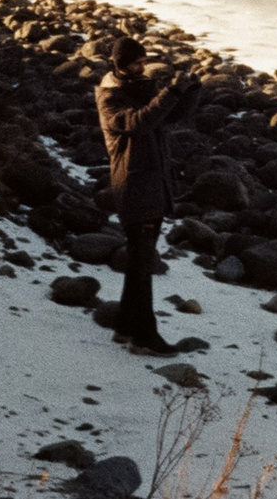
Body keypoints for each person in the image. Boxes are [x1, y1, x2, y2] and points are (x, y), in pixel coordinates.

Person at [93, 35, 199, 356]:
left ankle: (126, 327)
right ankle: (144, 336)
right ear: (119, 65)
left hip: (152, 185)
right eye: (136, 63)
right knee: (142, 266)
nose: (142, 67)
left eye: (143, 61)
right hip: (134, 187)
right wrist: (171, 91)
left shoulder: (139, 88)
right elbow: (140, 122)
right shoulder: (110, 99)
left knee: (139, 262)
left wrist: (192, 87)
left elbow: (172, 114)